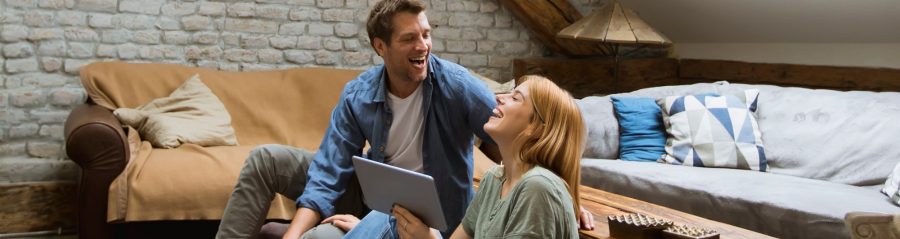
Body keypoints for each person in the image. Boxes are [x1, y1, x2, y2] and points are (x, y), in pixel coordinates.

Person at [215, 0, 500, 238]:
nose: (423, 45)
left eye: (425, 34)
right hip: (373, 199)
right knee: (265, 160)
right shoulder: (358, 94)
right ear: (380, 47)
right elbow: (329, 171)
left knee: (320, 237)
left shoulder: (458, 87)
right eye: (409, 38)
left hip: (425, 224)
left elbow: (515, 137)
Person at [392, 75, 587, 239]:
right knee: (387, 217)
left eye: (516, 98)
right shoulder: (494, 180)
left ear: (535, 128)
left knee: (384, 222)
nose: (499, 97)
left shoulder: (538, 187)